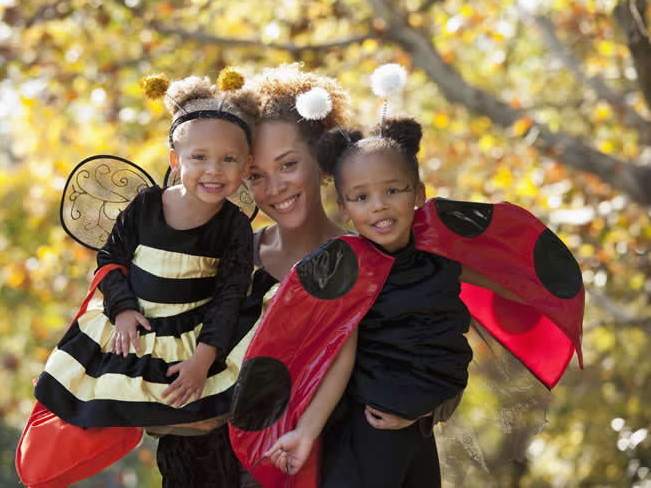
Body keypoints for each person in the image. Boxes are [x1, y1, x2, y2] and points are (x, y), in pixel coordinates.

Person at [263, 116, 529, 488]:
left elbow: (510, 283)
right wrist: (306, 433)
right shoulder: (350, 270)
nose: (379, 207)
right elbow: (342, 358)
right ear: (344, 207)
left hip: (419, 422)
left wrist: (548, 292)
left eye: (393, 191)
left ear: (418, 194)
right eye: (361, 197)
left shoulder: (440, 257)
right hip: (366, 430)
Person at [154, 63, 355, 488]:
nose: (275, 188)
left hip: (338, 467)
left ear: (318, 156)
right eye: (256, 176)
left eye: (287, 165)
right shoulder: (228, 260)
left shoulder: (366, 263)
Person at [34, 70, 260, 432]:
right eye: (199, 157)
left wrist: (203, 359)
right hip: (133, 324)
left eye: (229, 160)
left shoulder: (234, 226)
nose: (214, 171)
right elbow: (111, 259)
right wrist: (122, 309)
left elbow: (229, 295)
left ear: (247, 166)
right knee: (95, 403)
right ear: (175, 160)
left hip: (191, 332)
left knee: (190, 411)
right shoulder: (146, 205)